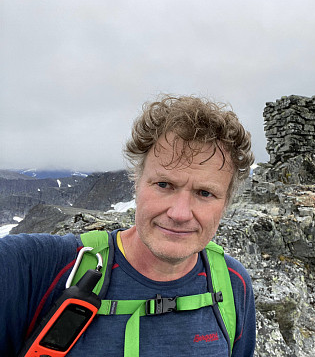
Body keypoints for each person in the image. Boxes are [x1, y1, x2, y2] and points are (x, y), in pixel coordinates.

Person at [0, 94, 256, 356]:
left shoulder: (233, 286)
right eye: (164, 185)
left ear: (225, 203)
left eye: (204, 193)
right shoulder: (41, 269)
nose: (180, 213)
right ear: (136, 182)